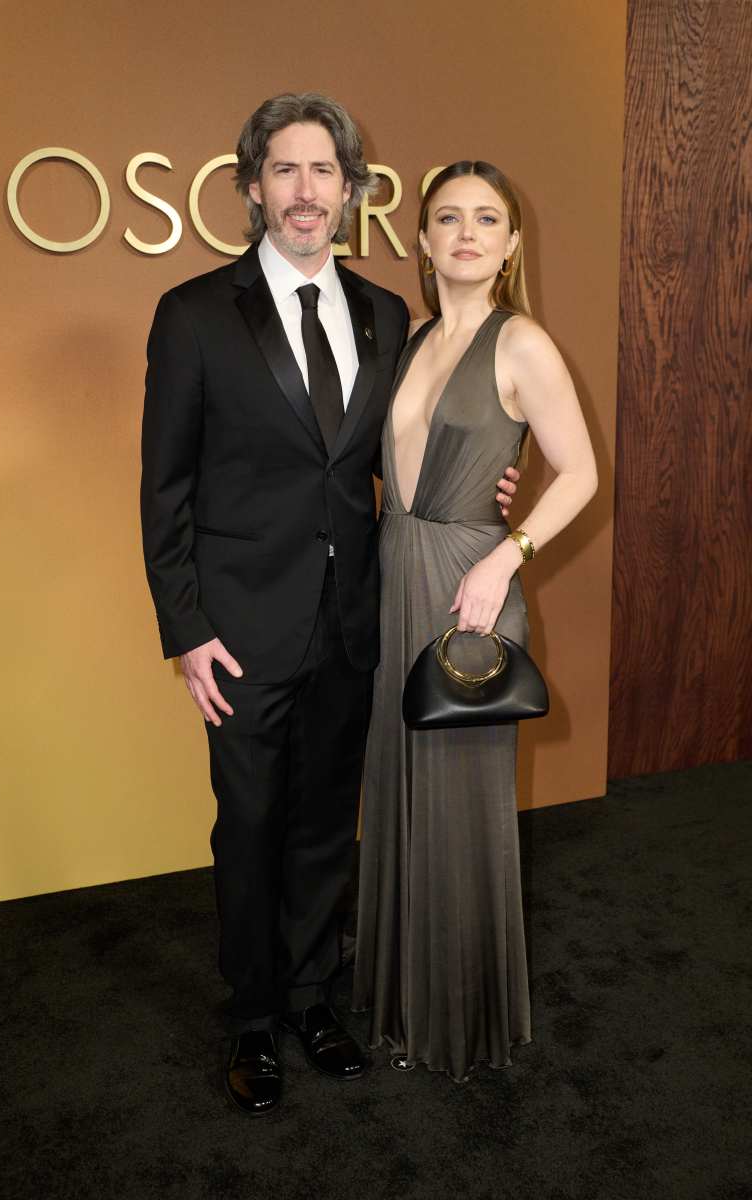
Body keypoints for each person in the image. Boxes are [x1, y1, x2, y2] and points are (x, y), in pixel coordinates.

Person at [141, 96, 521, 1116]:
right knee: (249, 826)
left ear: (351, 191)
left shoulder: (385, 315)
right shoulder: (193, 313)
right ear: (252, 186)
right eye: (285, 169)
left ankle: (312, 999)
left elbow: (404, 448)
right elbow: (163, 489)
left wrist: (490, 481)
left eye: (324, 171)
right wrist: (186, 629)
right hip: (238, 630)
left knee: (320, 826)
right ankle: (252, 1016)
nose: (306, 190)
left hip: (356, 619)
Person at [352, 160, 598, 1082]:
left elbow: (581, 472)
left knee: (458, 800)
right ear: (421, 240)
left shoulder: (521, 342)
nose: (466, 233)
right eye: (448, 218)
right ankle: (399, 996)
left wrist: (506, 553)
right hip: (394, 573)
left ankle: (457, 1018)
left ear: (510, 243)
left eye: (486, 219)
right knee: (397, 783)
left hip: (468, 586)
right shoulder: (411, 339)